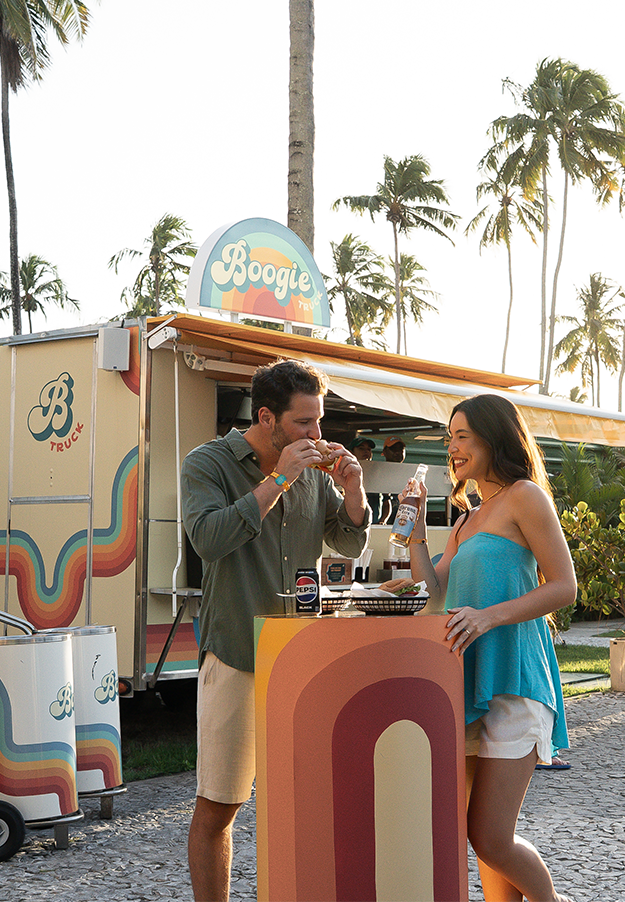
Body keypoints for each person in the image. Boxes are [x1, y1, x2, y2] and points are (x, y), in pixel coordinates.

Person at [181, 358, 371, 902]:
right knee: (219, 807)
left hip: (302, 663)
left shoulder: (313, 472)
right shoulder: (207, 463)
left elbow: (347, 541)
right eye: (303, 422)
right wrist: (279, 479)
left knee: (306, 804)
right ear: (266, 418)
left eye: (319, 421)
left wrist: (354, 491)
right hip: (237, 655)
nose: (317, 433)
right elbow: (209, 540)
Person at [408, 393, 577, 902]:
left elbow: (564, 586)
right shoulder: (466, 520)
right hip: (467, 685)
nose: (452, 448)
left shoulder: (525, 497)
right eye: (449, 439)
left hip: (516, 680)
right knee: (478, 838)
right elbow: (434, 591)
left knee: (490, 836)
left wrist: (488, 616)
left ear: (493, 438)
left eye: (462, 436)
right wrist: (416, 530)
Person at [348, 435, 382, 523]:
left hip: (375, 525)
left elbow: (386, 501)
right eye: (361, 448)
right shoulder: (345, 472)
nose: (366, 451)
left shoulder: (377, 473)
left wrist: (383, 521)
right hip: (354, 525)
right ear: (351, 452)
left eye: (368, 449)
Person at [379, 434, 406, 524]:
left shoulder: (408, 474)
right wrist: (382, 521)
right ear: (384, 452)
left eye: (400, 449)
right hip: (382, 523)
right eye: (393, 449)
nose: (398, 452)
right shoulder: (379, 472)